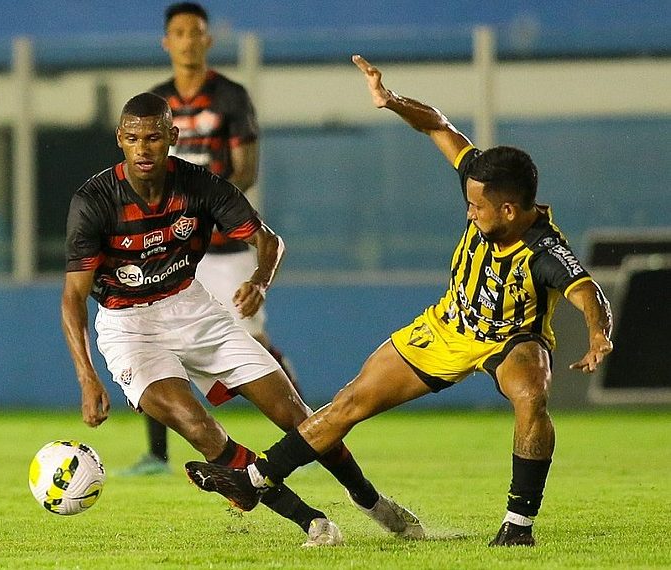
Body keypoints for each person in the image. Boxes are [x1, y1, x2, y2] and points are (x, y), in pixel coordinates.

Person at [186, 55, 614, 548]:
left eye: (477, 207)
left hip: (510, 337)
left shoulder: (543, 249)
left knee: (532, 394)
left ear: (510, 209)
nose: (469, 212)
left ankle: (518, 526)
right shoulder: (483, 177)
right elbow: (438, 124)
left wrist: (599, 331)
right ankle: (255, 480)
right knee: (349, 402)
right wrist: (391, 102)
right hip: (449, 325)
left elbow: (585, 289)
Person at [62, 92, 426, 546]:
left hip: (192, 307)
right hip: (127, 325)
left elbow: (269, 240)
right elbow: (73, 299)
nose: (143, 148)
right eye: (133, 138)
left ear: (172, 137)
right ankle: (310, 520)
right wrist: (87, 377)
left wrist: (259, 281)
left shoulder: (200, 185)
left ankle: (370, 500)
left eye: (153, 138)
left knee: (295, 414)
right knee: (197, 426)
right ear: (120, 139)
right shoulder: (94, 201)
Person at [121, 1, 300, 478]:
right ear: (167, 42)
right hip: (169, 246)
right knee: (157, 335)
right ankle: (157, 456)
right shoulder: (155, 103)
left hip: (223, 247)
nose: (187, 40)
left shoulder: (230, 97)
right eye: (178, 33)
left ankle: (304, 433)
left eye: (195, 32)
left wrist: (210, 209)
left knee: (246, 338)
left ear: (208, 40)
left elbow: (247, 170)